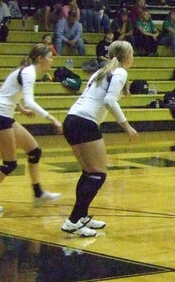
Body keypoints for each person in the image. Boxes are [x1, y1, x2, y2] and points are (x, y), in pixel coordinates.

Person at [60, 41, 138, 237]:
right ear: (126, 56)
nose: (133, 56)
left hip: (72, 120)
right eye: (132, 52)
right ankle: (73, 220)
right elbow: (109, 101)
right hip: (85, 123)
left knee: (88, 172)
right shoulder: (120, 72)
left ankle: (82, 216)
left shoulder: (102, 71)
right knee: (98, 174)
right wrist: (126, 126)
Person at [0, 44, 63, 213]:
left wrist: (20, 110)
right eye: (50, 57)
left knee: (34, 152)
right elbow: (30, 101)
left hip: (4, 115)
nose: (52, 60)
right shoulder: (29, 72)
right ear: (40, 58)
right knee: (10, 164)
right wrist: (52, 119)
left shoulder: (27, 71)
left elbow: (9, 92)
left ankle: (38, 193)